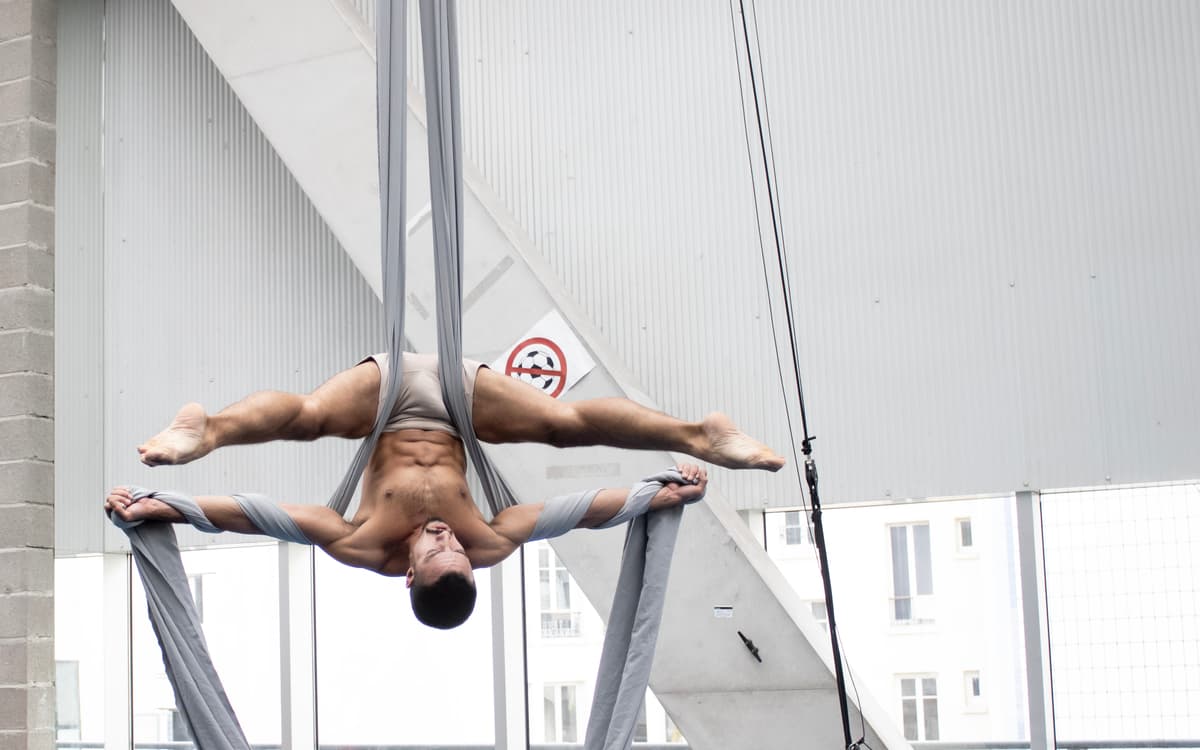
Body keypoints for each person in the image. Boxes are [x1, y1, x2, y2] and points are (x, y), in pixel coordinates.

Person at [105, 353, 784, 628]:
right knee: (559, 424)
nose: (447, 536)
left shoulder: (366, 546)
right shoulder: (488, 545)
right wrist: (655, 495)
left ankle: (209, 429)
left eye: (437, 548)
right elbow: (576, 514)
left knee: (311, 418)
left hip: (383, 399)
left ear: (408, 577)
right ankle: (700, 435)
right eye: (458, 548)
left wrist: (177, 508)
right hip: (464, 404)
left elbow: (264, 517)